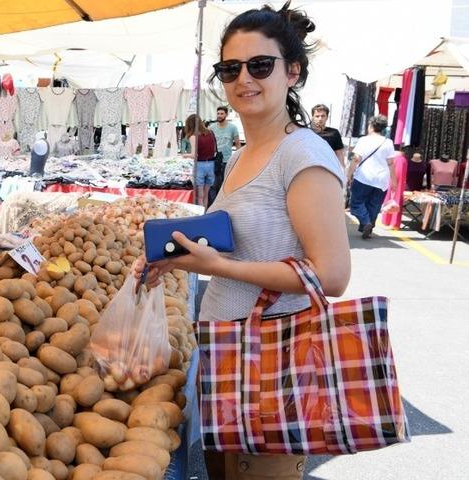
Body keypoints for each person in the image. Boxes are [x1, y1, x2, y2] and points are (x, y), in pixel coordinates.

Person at [135, 3, 350, 478]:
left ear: (292, 72)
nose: (244, 79)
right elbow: (239, 241)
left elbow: (331, 275)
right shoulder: (246, 152)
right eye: (231, 68)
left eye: (260, 65)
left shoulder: (303, 155)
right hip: (227, 352)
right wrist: (175, 257)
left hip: (272, 361)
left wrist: (221, 268)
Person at [347, 115, 399, 239]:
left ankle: (366, 223)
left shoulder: (364, 140)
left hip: (364, 177)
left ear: (370, 126)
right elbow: (390, 163)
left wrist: (348, 174)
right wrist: (394, 181)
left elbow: (356, 159)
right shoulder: (388, 142)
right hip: (382, 180)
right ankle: (368, 229)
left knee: (356, 203)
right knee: (374, 205)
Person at [182, 114, 219, 207]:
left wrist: (183, 155)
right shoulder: (210, 132)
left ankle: (201, 216)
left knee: (200, 196)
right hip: (211, 164)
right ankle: (205, 213)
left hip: (200, 166)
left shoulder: (193, 136)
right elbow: (214, 149)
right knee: (206, 195)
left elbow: (194, 155)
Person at [208, 106, 241, 203]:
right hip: (213, 160)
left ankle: (223, 204)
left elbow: (238, 144)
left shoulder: (232, 128)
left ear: (226, 115)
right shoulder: (211, 127)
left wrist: (238, 159)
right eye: (218, 113)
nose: (219, 115)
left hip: (227, 161)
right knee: (213, 185)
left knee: (224, 185)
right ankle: (213, 205)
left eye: (222, 114)